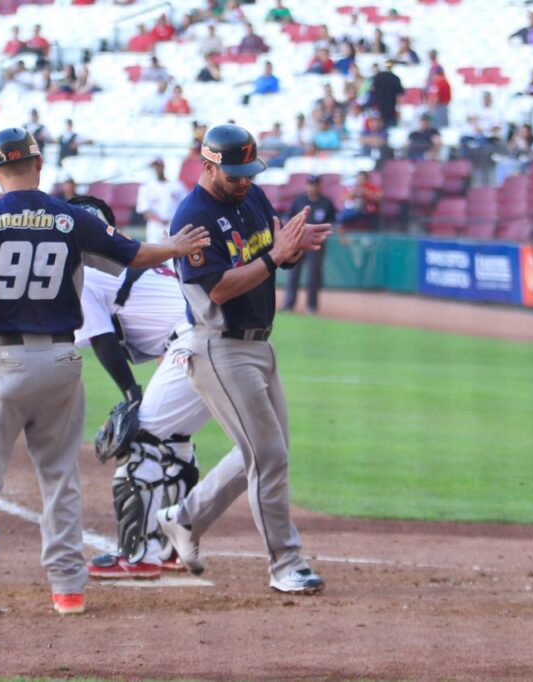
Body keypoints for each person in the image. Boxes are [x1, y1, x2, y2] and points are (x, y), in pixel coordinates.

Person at [0, 128, 209, 617]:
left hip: (6, 361)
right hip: (61, 361)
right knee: (60, 479)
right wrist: (177, 247)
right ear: (38, 164)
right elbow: (135, 254)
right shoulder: (71, 217)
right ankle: (68, 589)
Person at [157, 123, 331, 595]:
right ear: (208, 165)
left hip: (260, 345)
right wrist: (277, 259)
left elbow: (272, 248)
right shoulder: (192, 217)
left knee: (266, 451)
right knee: (268, 456)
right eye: (234, 174)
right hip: (218, 345)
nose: (244, 181)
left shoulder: (250, 199)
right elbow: (220, 287)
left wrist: (291, 251)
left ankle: (184, 519)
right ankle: (285, 564)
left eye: (249, 172)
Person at [67, 196, 209, 580]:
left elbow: (102, 339)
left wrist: (131, 392)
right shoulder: (144, 259)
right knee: (176, 441)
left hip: (190, 345)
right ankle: (172, 548)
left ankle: (137, 554)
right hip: (216, 342)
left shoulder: (84, 273)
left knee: (140, 441)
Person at [282, 175, 335, 314]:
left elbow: (332, 222)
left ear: (319, 186)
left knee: (314, 275)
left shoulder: (326, 202)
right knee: (294, 273)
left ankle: (311, 306)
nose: (312, 187)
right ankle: (289, 304)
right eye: (310, 184)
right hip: (298, 242)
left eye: (315, 184)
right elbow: (289, 218)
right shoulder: (300, 200)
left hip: (316, 244)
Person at [137, 157, 187, 244]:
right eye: (154, 166)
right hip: (155, 226)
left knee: (173, 254)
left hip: (173, 224)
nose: (157, 169)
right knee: (154, 253)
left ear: (163, 166)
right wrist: (160, 220)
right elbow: (145, 211)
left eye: (158, 166)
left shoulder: (177, 185)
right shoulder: (146, 187)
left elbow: (186, 205)